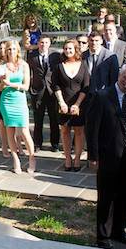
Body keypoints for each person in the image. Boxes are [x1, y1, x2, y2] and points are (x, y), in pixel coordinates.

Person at [86, 63, 126, 249]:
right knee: (106, 198)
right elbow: (92, 128)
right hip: (108, 156)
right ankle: (103, 237)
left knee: (124, 196)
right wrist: (93, 155)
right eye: (125, 78)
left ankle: (119, 231)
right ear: (118, 76)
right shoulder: (102, 96)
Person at [0, 40, 35, 174]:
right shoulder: (3, 66)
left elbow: (26, 86)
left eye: (13, 49)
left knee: (24, 131)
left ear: (18, 50)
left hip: (19, 100)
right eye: (8, 49)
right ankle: (15, 159)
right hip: (6, 101)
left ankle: (32, 158)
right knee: (9, 131)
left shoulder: (24, 65)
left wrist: (10, 84)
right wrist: (0, 81)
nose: (11, 51)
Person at [51, 38, 90, 172]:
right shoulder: (59, 65)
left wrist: (78, 104)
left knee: (79, 131)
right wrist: (61, 102)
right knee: (65, 131)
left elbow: (86, 86)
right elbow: (55, 85)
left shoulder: (83, 64)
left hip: (79, 104)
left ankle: (77, 159)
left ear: (75, 50)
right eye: (66, 48)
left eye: (70, 48)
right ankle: (67, 158)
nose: (68, 51)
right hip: (63, 104)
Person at [29, 35, 60, 152]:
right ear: (38, 43)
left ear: (49, 43)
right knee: (38, 119)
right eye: (41, 43)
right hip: (38, 91)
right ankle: (37, 143)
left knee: (54, 119)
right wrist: (30, 89)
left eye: (46, 42)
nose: (44, 45)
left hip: (52, 91)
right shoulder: (32, 56)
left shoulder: (55, 56)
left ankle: (55, 144)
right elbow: (29, 72)